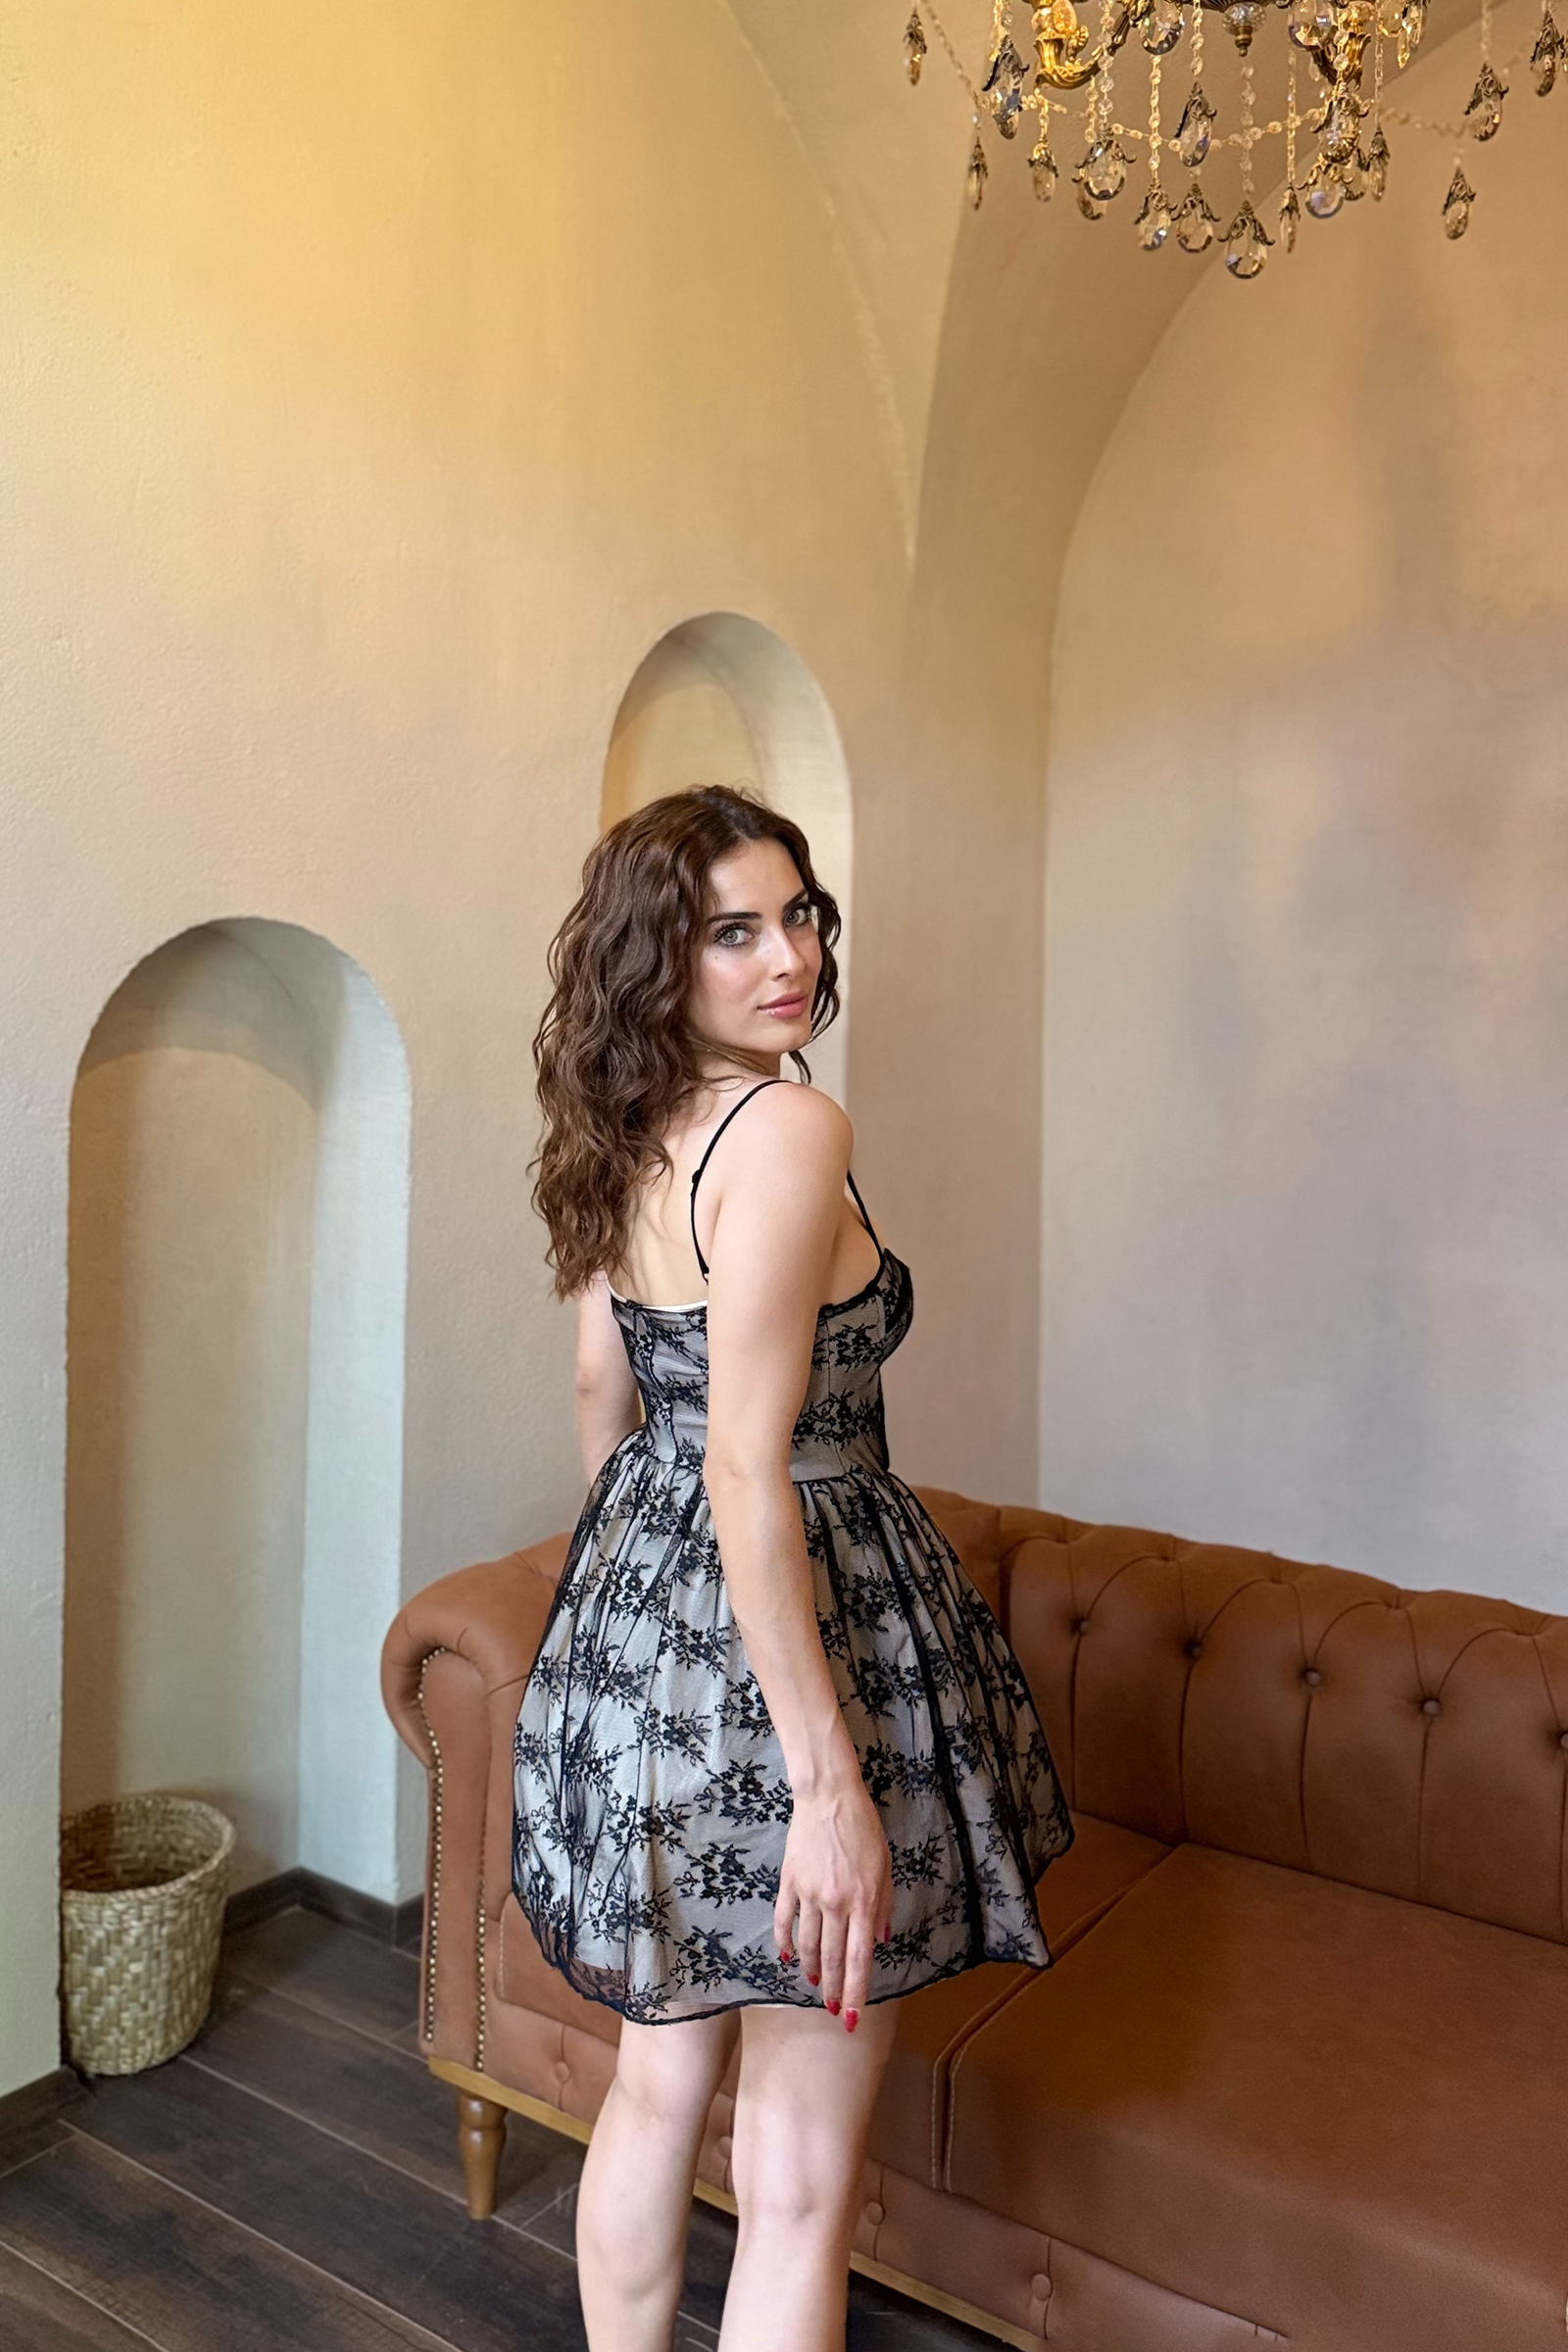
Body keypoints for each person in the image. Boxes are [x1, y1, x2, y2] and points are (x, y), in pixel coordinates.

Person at [513, 784, 1073, 2352]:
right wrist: (826, 1790)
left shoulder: (625, 1125)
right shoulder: (791, 1128)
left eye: (800, 916)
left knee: (654, 2086)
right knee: (803, 2173)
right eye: (734, 932)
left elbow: (605, 1394)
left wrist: (645, 1624)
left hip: (646, 1632)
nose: (790, 958)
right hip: (809, 1651)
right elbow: (749, 1467)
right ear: (658, 958)